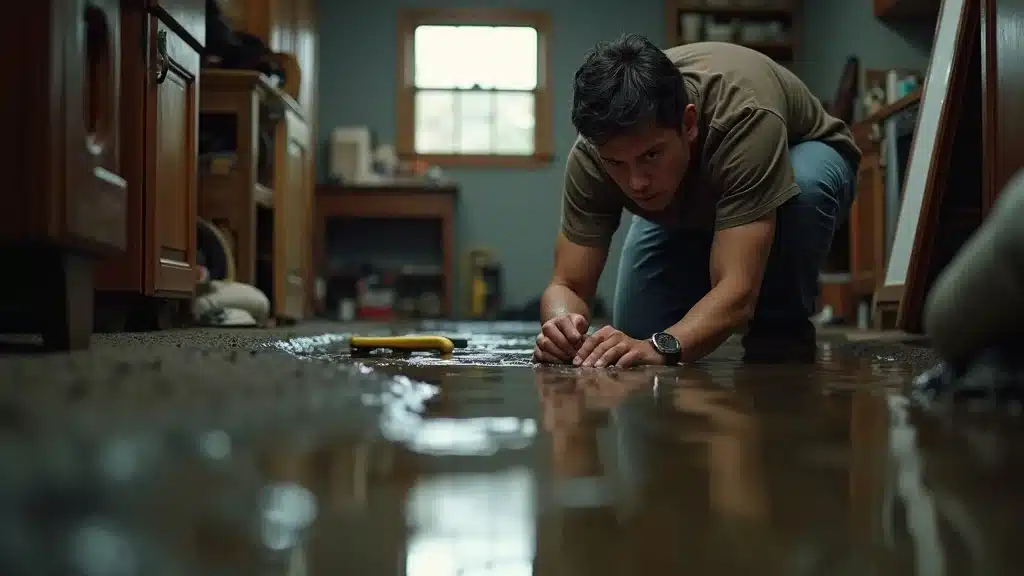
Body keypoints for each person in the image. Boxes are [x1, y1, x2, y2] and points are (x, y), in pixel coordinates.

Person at [533, 34, 860, 367]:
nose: (637, 182)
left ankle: (782, 334)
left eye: (651, 154)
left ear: (688, 124)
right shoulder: (591, 155)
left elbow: (737, 289)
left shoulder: (742, 112)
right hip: (686, 199)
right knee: (636, 339)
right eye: (617, 163)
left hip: (806, 156)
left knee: (805, 188)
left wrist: (664, 347)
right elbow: (567, 284)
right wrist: (560, 327)